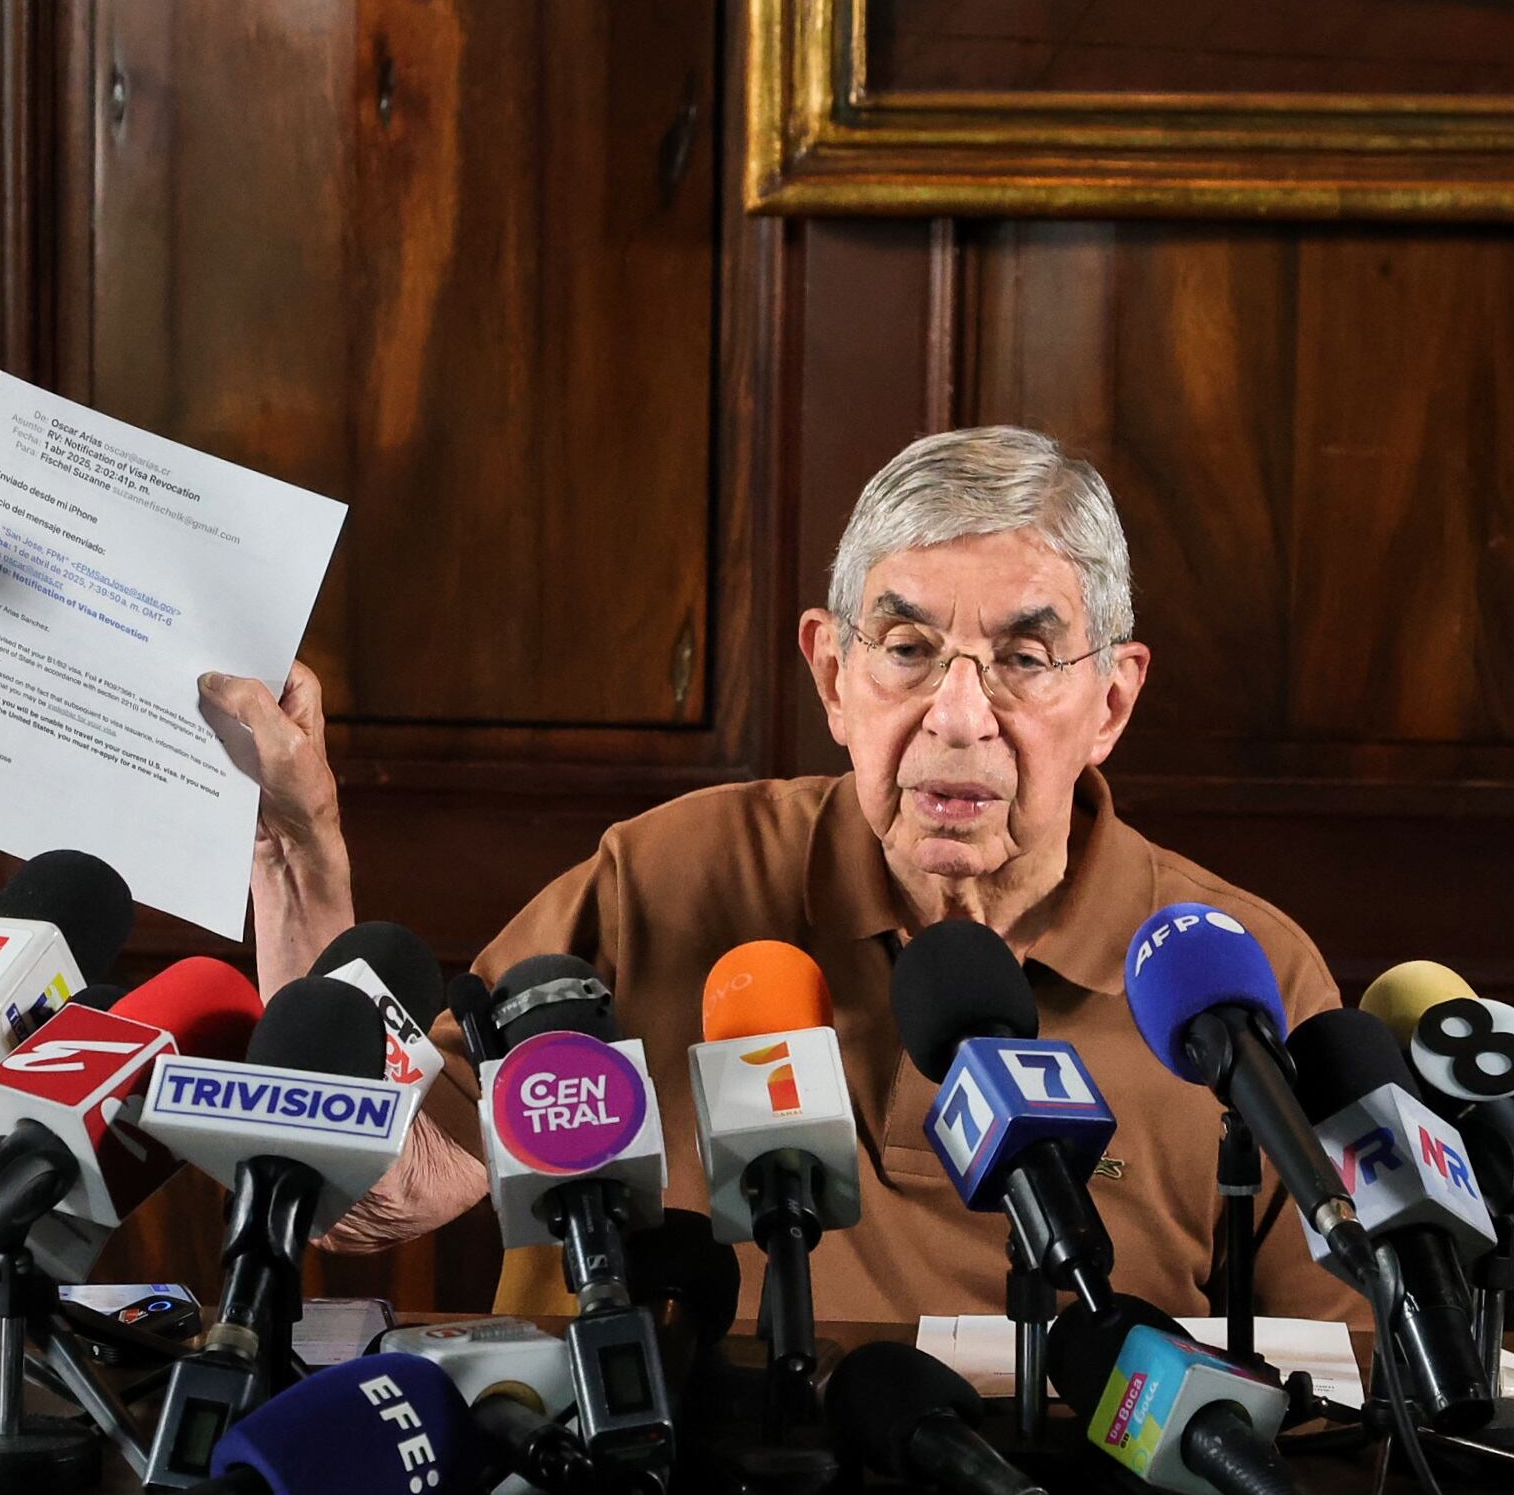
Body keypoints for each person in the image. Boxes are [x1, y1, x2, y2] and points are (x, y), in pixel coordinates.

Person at [204, 425, 1358, 1326]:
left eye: (1020, 656)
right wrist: (294, 844)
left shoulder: (1240, 975)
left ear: (1110, 699)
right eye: (908, 650)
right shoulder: (668, 879)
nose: (960, 715)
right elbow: (378, 1192)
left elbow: (1337, 1382)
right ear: (831, 671)